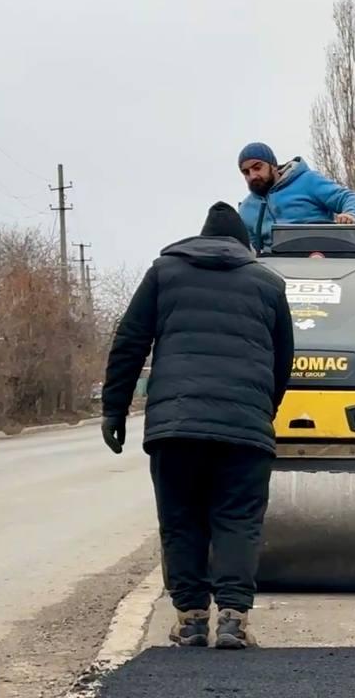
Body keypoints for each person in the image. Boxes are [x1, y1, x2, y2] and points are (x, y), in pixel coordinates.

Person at [100, 202, 294, 649]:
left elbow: (130, 341)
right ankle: (233, 618)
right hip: (245, 428)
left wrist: (115, 408)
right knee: (239, 520)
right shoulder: (268, 284)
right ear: (243, 245)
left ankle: (189, 619)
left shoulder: (164, 272)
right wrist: (265, 410)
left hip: (176, 427)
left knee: (181, 518)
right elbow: (283, 360)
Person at [237, 142, 355, 251]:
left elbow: (348, 198)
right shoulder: (246, 210)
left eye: (257, 168)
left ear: (273, 165)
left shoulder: (308, 181)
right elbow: (253, 250)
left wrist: (350, 214)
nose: (253, 176)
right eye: (246, 172)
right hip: (275, 269)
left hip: (322, 256)